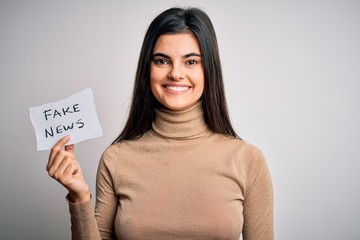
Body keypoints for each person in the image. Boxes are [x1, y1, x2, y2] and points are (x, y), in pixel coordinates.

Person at [46, 7, 273, 240]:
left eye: (191, 61)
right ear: (148, 69)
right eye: (162, 61)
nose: (175, 74)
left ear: (209, 69)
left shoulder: (247, 160)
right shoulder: (116, 158)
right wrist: (80, 198)